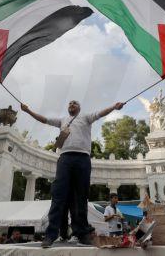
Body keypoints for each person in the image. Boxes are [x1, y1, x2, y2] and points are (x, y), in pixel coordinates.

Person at [21, 100, 125, 247]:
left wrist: (114, 107)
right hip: (65, 158)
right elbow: (44, 120)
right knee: (58, 195)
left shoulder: (86, 117)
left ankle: (82, 234)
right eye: (69, 103)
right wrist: (28, 111)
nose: (71, 105)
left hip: (83, 158)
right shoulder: (62, 120)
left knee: (81, 197)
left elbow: (100, 113)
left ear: (79, 107)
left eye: (74, 103)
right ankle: (51, 235)